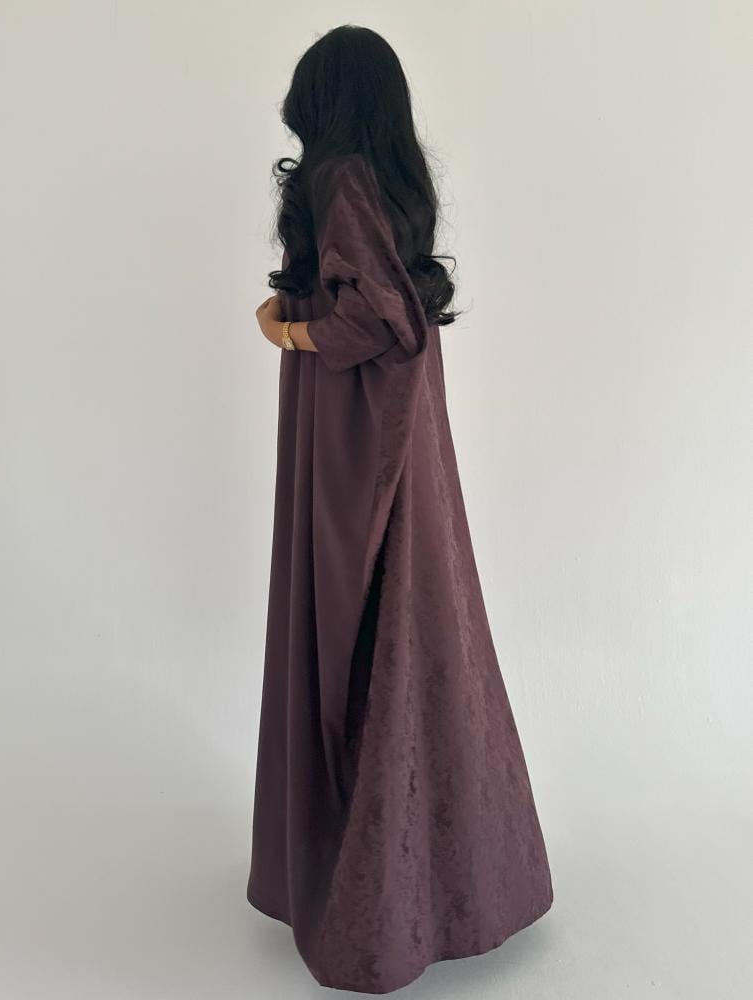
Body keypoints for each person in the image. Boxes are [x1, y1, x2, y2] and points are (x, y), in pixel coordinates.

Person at [248, 24, 553, 994]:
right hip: (398, 433)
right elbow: (399, 309)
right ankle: (452, 876)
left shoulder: (339, 179)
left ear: (325, 97)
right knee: (418, 610)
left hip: (359, 439)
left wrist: (287, 329)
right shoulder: (379, 181)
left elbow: (377, 317)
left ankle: (379, 895)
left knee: (370, 618)